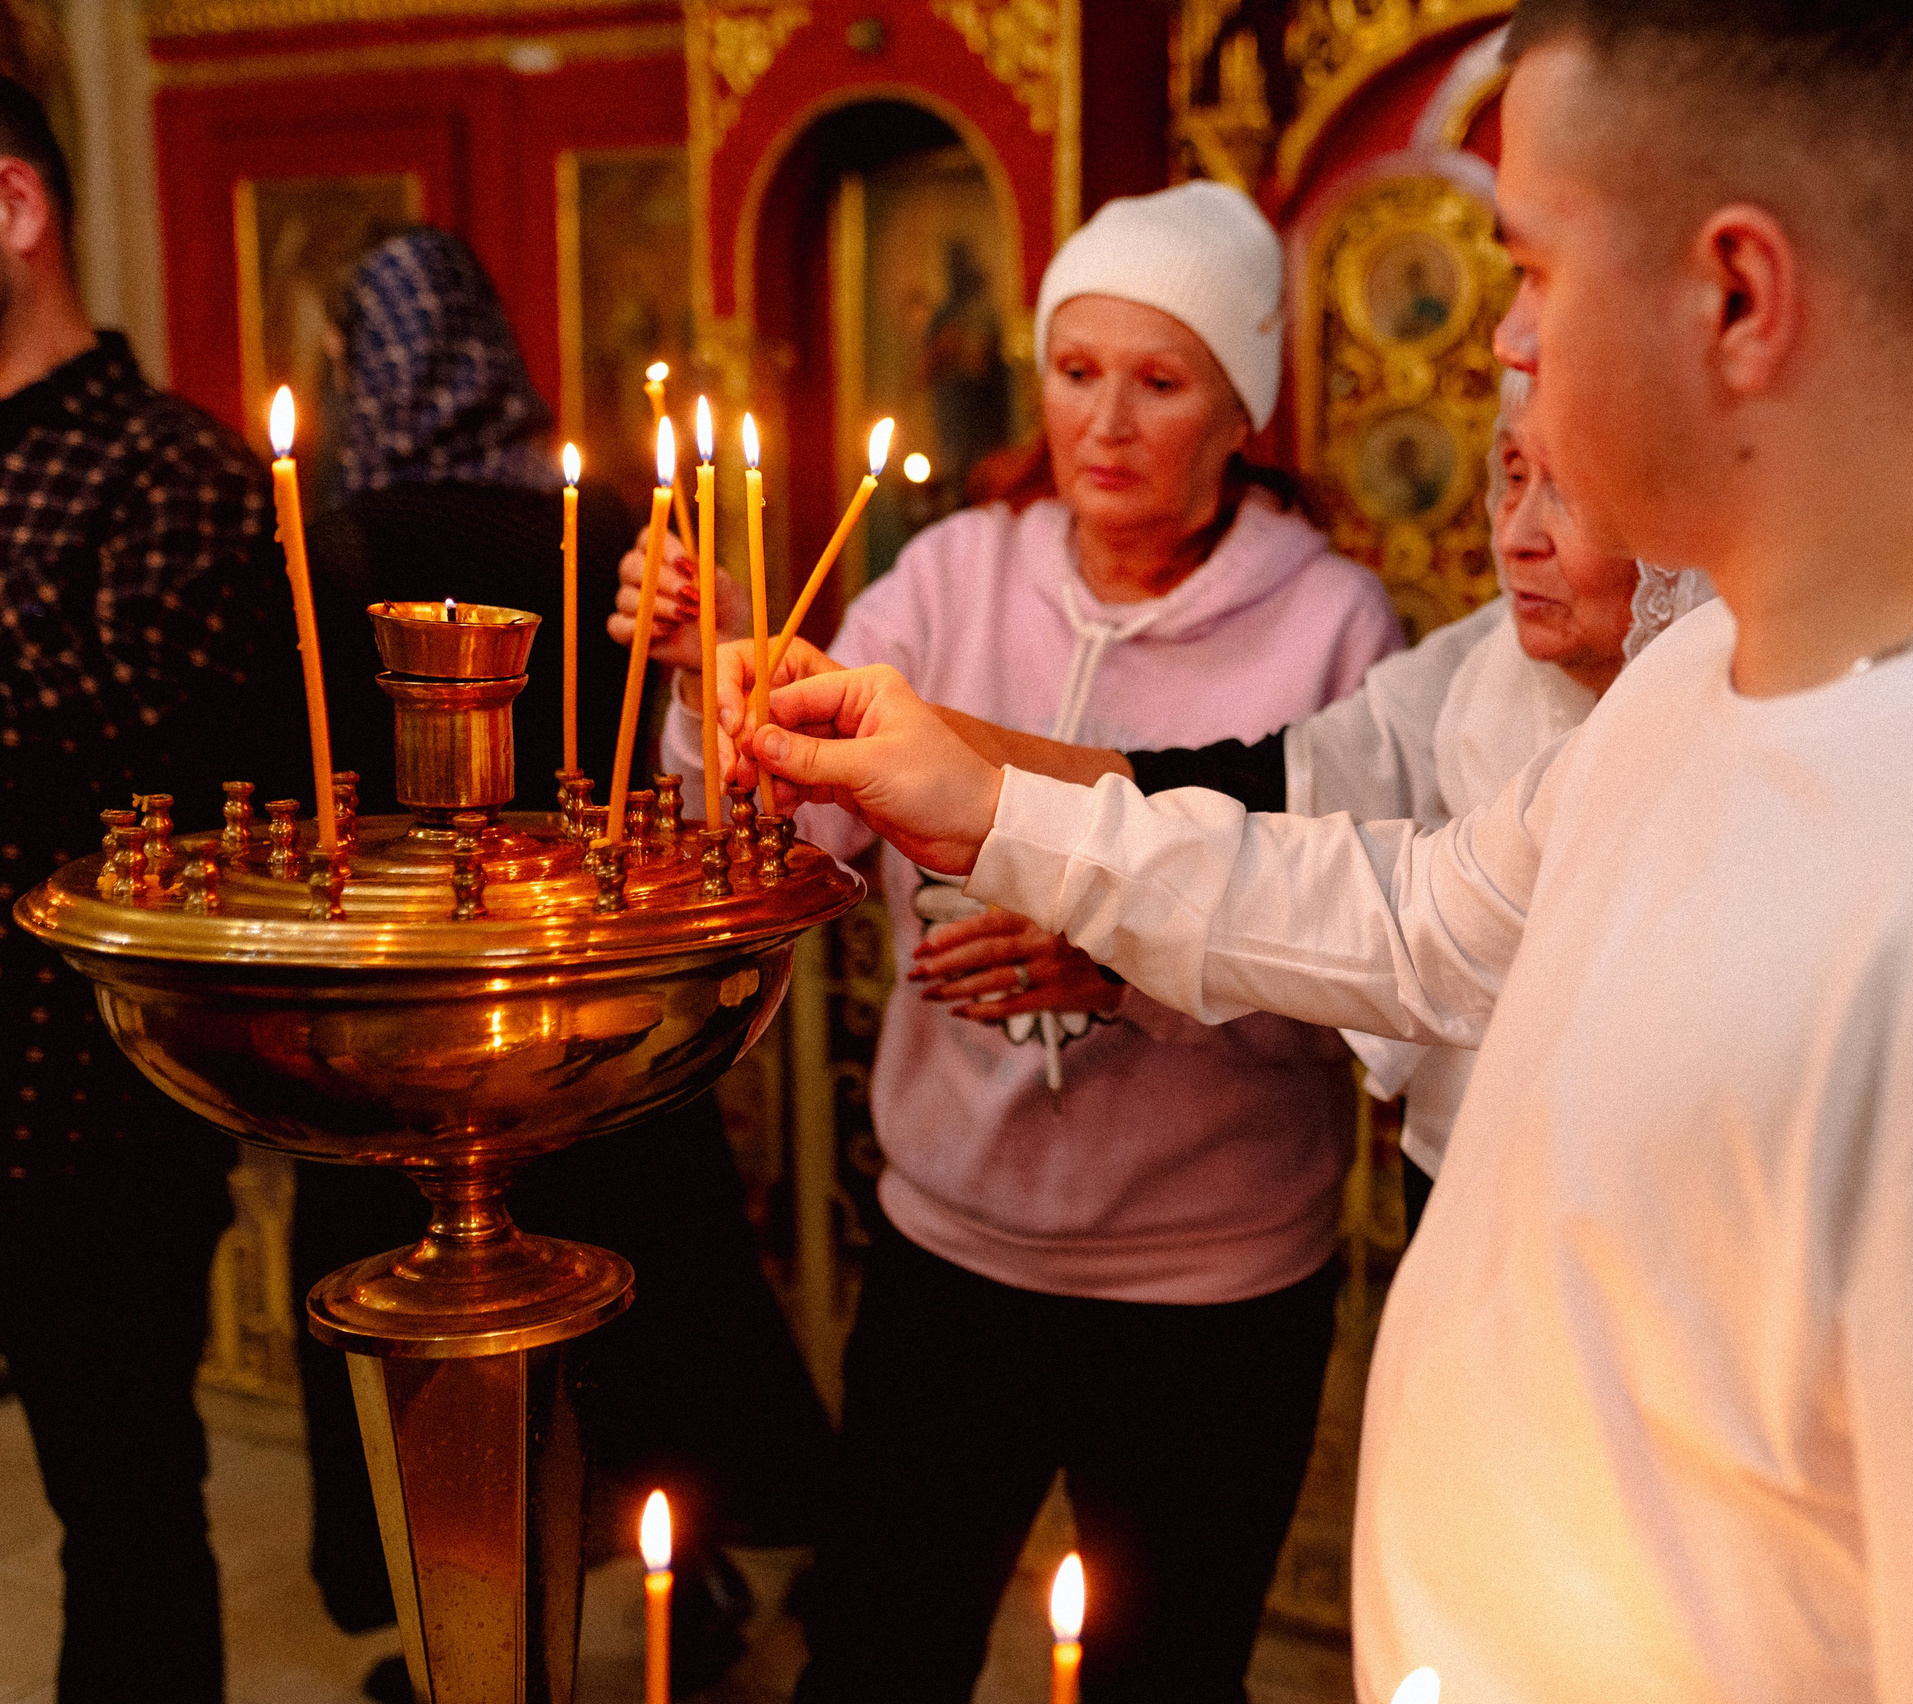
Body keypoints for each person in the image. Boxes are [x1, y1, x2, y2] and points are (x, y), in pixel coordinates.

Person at [731, 2, 1913, 1698]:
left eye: (1532, 265)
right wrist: (985, 799)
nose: (1506, 339)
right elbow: (1415, 914)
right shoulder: (1688, 680)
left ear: (1734, 296)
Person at [642, 179, 1403, 1702]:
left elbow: (1362, 967)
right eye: (1075, 370)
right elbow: (793, 832)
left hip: (1212, 1282)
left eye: (1161, 380)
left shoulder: (1334, 628)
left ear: (1243, 408)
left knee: (1159, 1673)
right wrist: (717, 679)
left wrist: (1128, 960)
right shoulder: (951, 574)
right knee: (875, 1652)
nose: (1105, 422)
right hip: (953, 1249)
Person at [290, 226, 830, 1704]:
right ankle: (676, 1570)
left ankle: (448, 1623)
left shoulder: (329, 548)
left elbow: (300, 785)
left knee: (427, 1330)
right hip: (598, 988)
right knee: (631, 1306)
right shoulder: (585, 528)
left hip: (395, 1020)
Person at [903, 369, 1640, 1233]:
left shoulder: (1700, 737)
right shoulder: (1484, 670)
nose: (1514, 538)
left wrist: (1010, 823)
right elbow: (1267, 785)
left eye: (1574, 494)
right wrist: (932, 748)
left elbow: (1412, 929)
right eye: (1511, 474)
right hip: (1457, 1182)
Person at [0, 73, 299, 1704]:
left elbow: (112, 750)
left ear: (18, 208)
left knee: (118, 1506)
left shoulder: (167, 471)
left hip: (79, 1119)